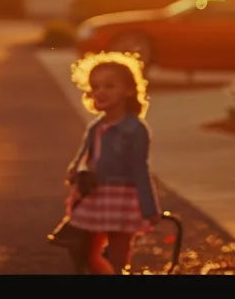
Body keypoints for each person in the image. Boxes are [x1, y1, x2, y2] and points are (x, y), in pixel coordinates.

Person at [62, 52, 161, 275]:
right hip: (96, 194)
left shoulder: (136, 130)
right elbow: (83, 157)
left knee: (119, 253)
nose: (100, 92)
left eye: (109, 86)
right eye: (95, 87)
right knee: (87, 253)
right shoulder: (96, 127)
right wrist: (76, 172)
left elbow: (140, 169)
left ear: (128, 90)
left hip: (122, 195)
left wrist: (149, 207)